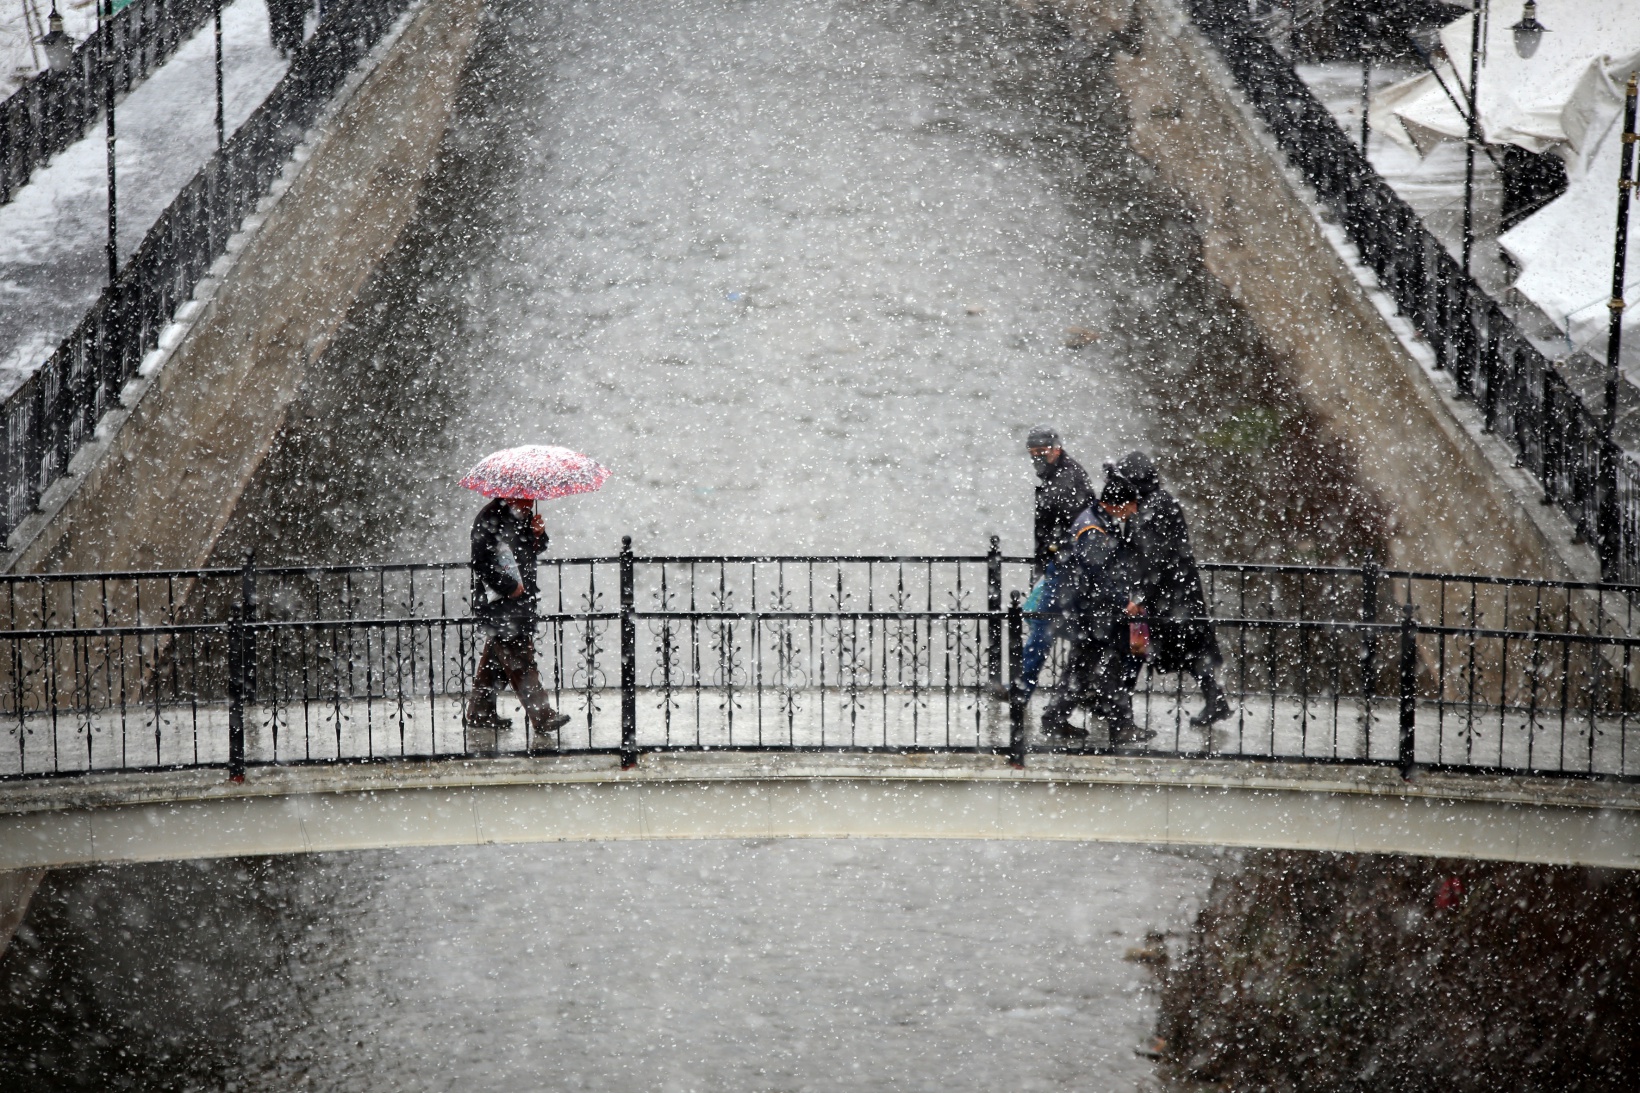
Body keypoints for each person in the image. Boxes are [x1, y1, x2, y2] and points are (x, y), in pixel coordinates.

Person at [1104, 451, 1231, 727]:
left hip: (1167, 596)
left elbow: (1153, 559)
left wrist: (1139, 596)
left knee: (1137, 650)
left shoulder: (1151, 507)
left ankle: (1118, 709)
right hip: (1176, 593)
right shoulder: (1157, 501)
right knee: (1183, 650)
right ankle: (1215, 699)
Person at [1038, 476, 1155, 745]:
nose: (1134, 511)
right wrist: (1123, 603)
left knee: (1083, 669)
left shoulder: (1096, 520)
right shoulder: (1093, 530)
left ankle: (1056, 719)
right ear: (1120, 504)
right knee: (1109, 667)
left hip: (1088, 612)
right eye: (1132, 505)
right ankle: (1120, 726)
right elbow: (1097, 576)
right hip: (1096, 613)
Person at [465, 496, 572, 739]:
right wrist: (508, 586)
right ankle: (542, 716)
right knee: (520, 657)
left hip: (520, 601)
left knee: (495, 658)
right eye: (525, 500)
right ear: (510, 495)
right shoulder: (489, 518)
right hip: (501, 603)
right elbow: (480, 563)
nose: (530, 505)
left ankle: (480, 713)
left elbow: (532, 549)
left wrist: (538, 534)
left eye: (532, 500)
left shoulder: (519, 517)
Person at [1004, 425, 1095, 703]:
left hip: (1067, 567)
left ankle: (1025, 690)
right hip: (1067, 566)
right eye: (1032, 454)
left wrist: (1051, 561)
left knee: (1043, 626)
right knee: (1082, 633)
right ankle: (1083, 696)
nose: (1037, 459)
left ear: (1056, 449)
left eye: (1042, 452)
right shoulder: (1062, 475)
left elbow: (1069, 530)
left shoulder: (1066, 481)